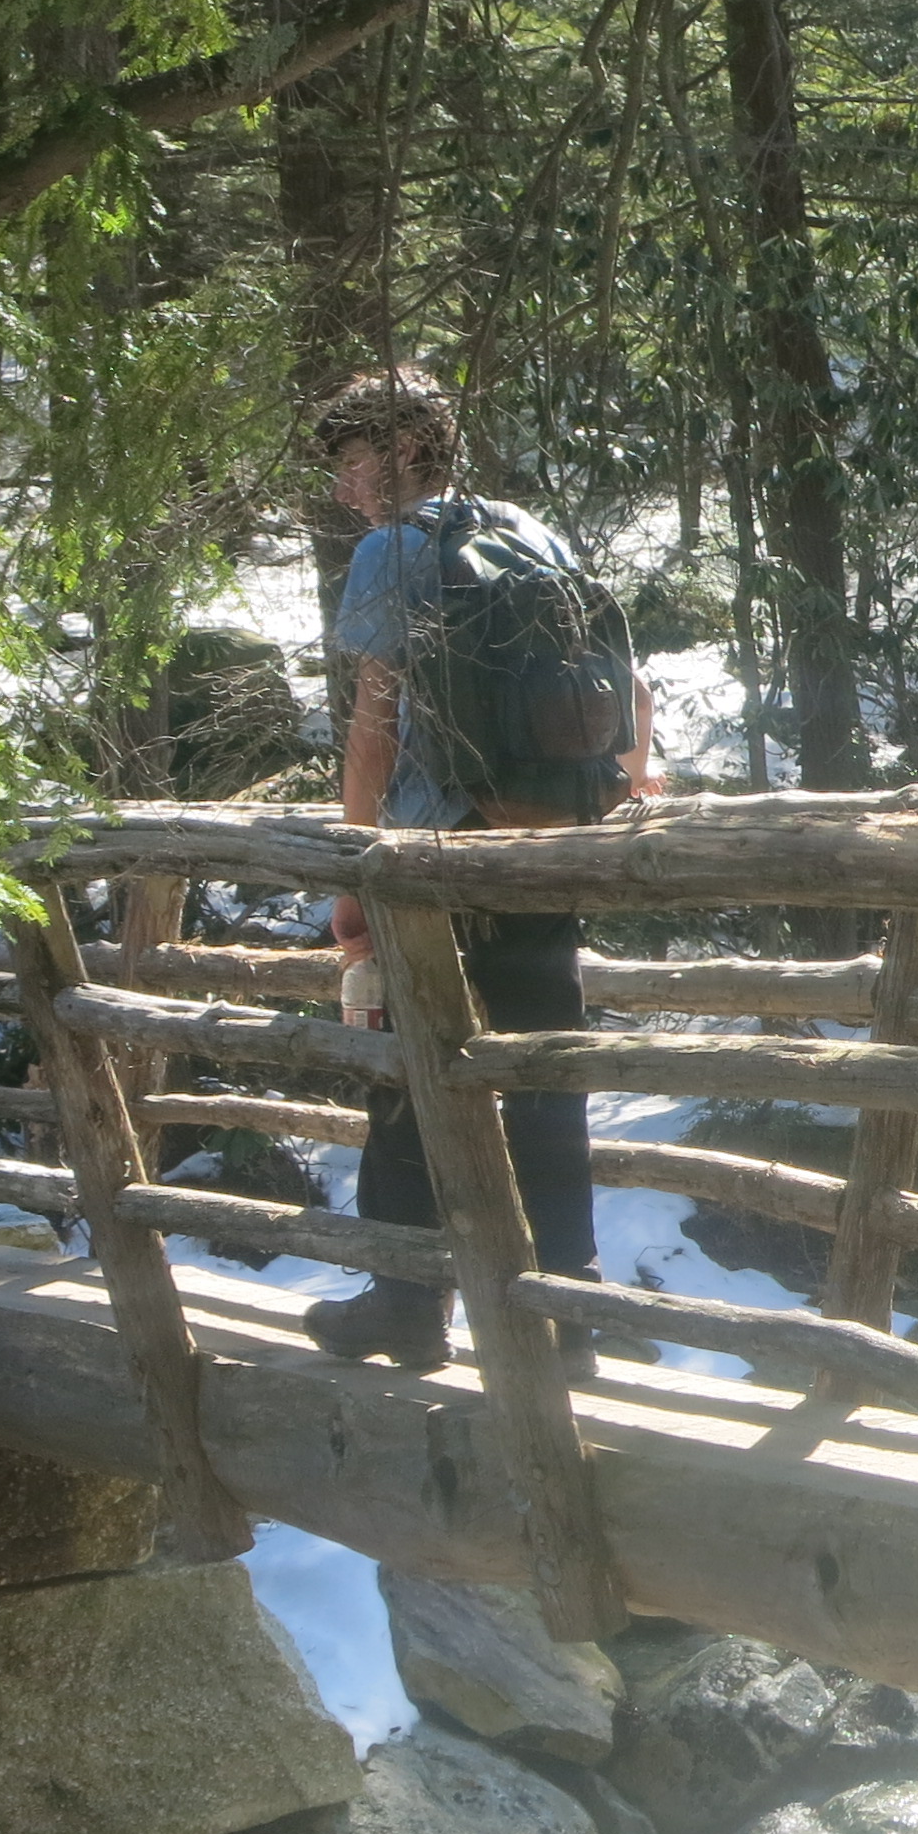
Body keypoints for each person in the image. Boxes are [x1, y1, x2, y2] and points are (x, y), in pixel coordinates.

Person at [302, 365, 652, 1370]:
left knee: (413, 1074)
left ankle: (405, 1305)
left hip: (434, 859)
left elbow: (374, 728)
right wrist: (616, 793)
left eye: (355, 462)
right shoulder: (529, 532)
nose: (344, 488)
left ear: (406, 451)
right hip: (540, 847)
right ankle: (566, 1317)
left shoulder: (393, 551)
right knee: (546, 1075)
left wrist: (353, 876)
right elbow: (625, 683)